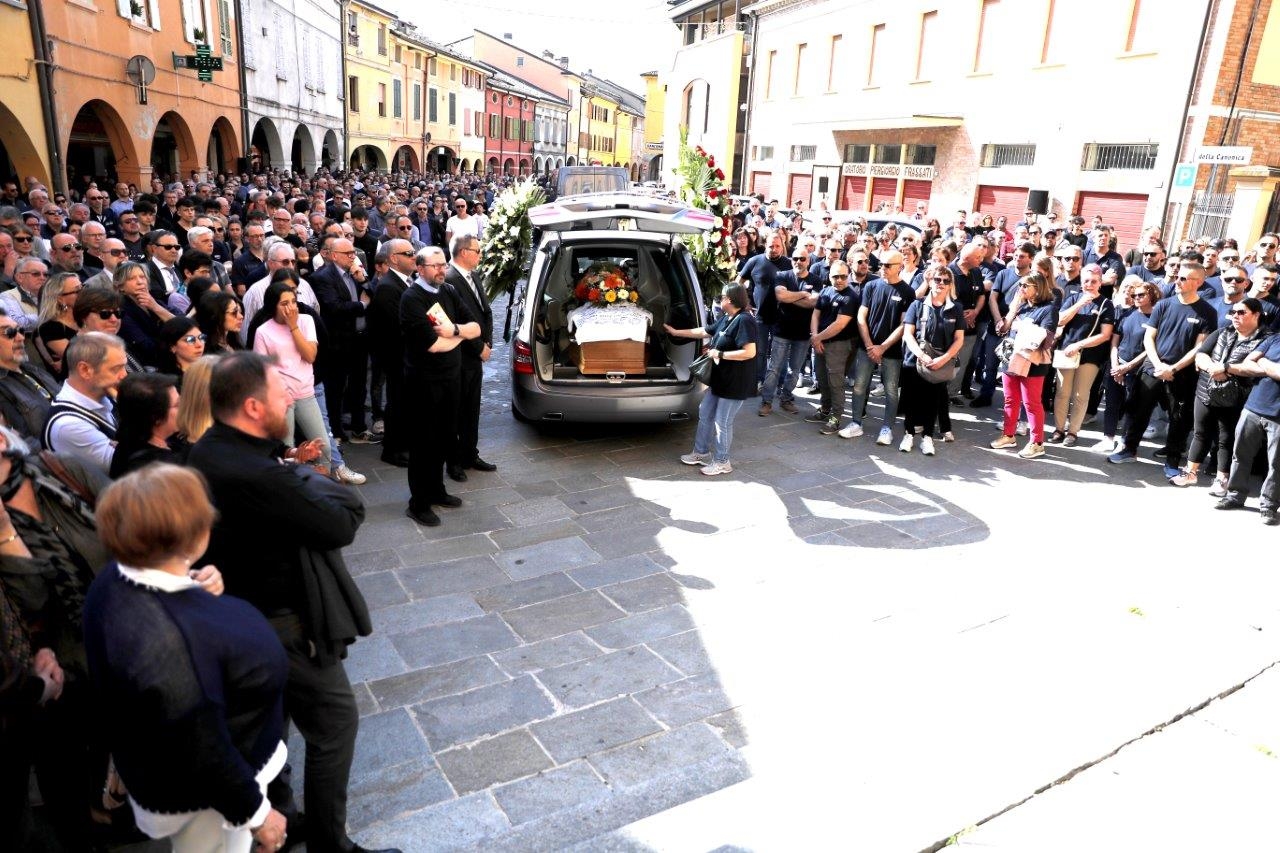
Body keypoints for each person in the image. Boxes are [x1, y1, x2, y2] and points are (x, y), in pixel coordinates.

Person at [186, 352, 388, 853]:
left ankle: (281, 817)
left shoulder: (212, 449)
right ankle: (328, 844)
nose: (292, 401)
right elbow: (340, 523)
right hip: (280, 624)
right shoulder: (258, 474)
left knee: (270, 727)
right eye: (283, 395)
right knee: (334, 723)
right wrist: (312, 476)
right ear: (253, 407)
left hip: (244, 616)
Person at [83, 464, 289, 852]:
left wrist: (190, 587)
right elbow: (202, 744)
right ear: (193, 535)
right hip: (208, 803)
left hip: (169, 772)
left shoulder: (111, 581)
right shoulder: (172, 643)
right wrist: (258, 815)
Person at [400, 246, 481, 527]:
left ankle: (437, 490)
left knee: (446, 436)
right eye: (435, 266)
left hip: (451, 377)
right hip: (424, 382)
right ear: (420, 268)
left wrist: (454, 331)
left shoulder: (448, 291)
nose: (441, 270)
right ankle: (418, 503)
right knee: (423, 442)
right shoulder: (412, 298)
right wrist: (461, 336)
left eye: (443, 265)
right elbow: (434, 345)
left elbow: (475, 328)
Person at [1172, 298, 1270, 491]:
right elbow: (1201, 354)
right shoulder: (1223, 332)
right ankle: (1190, 473)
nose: (1235, 316)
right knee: (1200, 433)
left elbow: (1259, 368)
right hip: (1206, 390)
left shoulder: (1266, 340)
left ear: (1256, 314)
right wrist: (1213, 368)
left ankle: (1222, 479)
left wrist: (1226, 368)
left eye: (1241, 312)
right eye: (1233, 312)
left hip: (1236, 396)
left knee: (1226, 438)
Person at [664, 282, 758, 476]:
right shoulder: (727, 317)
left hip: (735, 382)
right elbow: (704, 331)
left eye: (721, 297)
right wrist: (676, 332)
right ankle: (701, 452)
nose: (719, 300)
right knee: (705, 412)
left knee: (722, 421)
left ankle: (723, 462)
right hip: (720, 379)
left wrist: (720, 354)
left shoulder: (744, 320)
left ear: (729, 300)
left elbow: (750, 352)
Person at [252, 281, 332, 472]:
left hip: (306, 394)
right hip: (281, 399)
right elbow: (262, 371)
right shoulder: (263, 331)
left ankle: (324, 482)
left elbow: (310, 355)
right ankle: (290, 484)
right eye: (284, 303)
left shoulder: (306, 321)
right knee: (287, 451)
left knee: (325, 448)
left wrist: (293, 327)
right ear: (273, 306)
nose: (291, 307)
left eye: (293, 301)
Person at [843, 249, 914, 444]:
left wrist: (882, 347)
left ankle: (887, 428)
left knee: (891, 390)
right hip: (866, 347)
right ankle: (856, 422)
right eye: (881, 264)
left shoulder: (907, 292)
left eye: (888, 265)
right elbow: (861, 316)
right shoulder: (871, 285)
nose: (883, 268)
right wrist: (869, 345)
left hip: (891, 350)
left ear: (899, 267)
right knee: (859, 386)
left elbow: (904, 324)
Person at [444, 234, 496, 479]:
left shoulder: (473, 276)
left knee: (472, 408)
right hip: (461, 355)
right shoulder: (450, 279)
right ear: (464, 252)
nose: (480, 254)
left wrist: (488, 342)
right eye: (477, 250)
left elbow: (485, 312)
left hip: (476, 355)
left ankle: (470, 453)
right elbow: (456, 322)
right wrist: (478, 347)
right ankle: (453, 461)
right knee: (456, 410)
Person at [990, 274, 1060, 458]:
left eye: (1025, 285)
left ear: (1038, 288)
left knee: (1032, 403)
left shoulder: (1049, 309)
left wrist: (1022, 327)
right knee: (1010, 399)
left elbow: (1047, 340)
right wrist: (1013, 309)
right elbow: (1003, 330)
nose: (1021, 288)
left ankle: (1037, 443)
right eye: (1020, 284)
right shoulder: (1020, 306)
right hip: (1011, 358)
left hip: (1032, 362)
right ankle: (1008, 435)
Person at [899, 265, 965, 455]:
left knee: (933, 401)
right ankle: (909, 434)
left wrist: (944, 358)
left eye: (945, 281)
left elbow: (959, 339)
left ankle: (927, 437)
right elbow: (908, 334)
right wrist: (921, 356)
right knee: (912, 400)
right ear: (930, 281)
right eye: (937, 279)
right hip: (915, 361)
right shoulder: (917, 304)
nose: (941, 284)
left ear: (950, 284)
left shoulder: (956, 308)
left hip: (941, 363)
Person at [1048, 264, 1115, 446]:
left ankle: (1073, 431)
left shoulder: (1106, 304)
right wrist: (1079, 304)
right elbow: (1060, 321)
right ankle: (1059, 429)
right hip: (1066, 352)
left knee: (1080, 395)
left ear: (1100, 283)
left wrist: (1079, 345)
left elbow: (1105, 335)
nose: (1089, 285)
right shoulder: (1073, 298)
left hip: (1090, 355)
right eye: (1086, 281)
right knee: (1062, 392)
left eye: (1094, 281)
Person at [44, 331, 127, 472]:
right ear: (85, 370)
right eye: (116, 369)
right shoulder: (69, 425)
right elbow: (132, 466)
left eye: (124, 366)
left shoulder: (105, 395)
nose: (124, 375)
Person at [108, 372, 185, 478]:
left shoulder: (131, 437)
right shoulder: (156, 470)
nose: (184, 408)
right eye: (177, 405)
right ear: (156, 417)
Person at [158, 316, 207, 386]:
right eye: (190, 340)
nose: (199, 344)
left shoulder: (212, 369)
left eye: (201, 337)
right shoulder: (170, 385)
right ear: (172, 347)